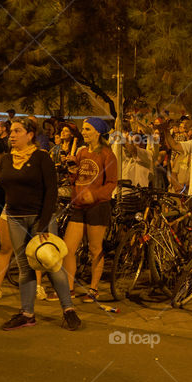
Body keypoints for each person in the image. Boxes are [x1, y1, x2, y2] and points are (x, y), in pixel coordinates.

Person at [0, 119, 78, 329]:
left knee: (53, 263)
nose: (12, 135)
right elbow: (0, 193)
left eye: (17, 131)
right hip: (15, 219)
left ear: (30, 135)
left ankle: (69, 310)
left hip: (40, 218)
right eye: (11, 131)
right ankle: (27, 313)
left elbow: (51, 192)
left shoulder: (41, 158)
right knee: (25, 267)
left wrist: (44, 223)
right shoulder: (7, 160)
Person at [61, 118, 117, 302]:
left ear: (98, 132)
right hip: (78, 205)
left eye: (88, 129)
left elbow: (111, 183)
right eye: (83, 129)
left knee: (95, 249)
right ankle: (69, 289)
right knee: (68, 249)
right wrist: (72, 169)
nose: (83, 132)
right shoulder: (82, 152)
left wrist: (96, 195)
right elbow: (76, 178)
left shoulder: (107, 154)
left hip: (98, 207)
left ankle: (93, 289)